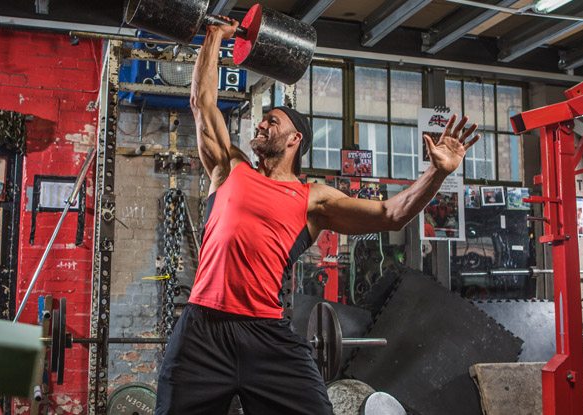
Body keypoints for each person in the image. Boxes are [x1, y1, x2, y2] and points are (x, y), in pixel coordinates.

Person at [154, 18, 481, 415]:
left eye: (272, 121)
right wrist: (212, 38)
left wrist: (439, 172)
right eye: (263, 119)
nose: (261, 124)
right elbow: (202, 103)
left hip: (267, 336)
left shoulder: (313, 199)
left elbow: (392, 214)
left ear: (295, 140)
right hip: (202, 331)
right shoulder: (230, 169)